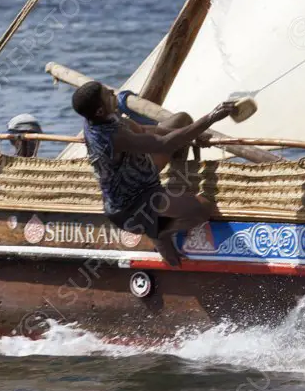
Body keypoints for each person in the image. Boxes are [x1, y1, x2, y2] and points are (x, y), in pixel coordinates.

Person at [72, 81, 237, 266]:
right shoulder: (110, 138)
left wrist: (192, 134)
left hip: (143, 172)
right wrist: (210, 118)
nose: (112, 91)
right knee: (203, 209)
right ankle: (159, 231)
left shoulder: (102, 115)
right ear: (100, 111)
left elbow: (144, 130)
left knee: (181, 120)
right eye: (106, 94)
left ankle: (175, 194)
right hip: (132, 206)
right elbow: (164, 144)